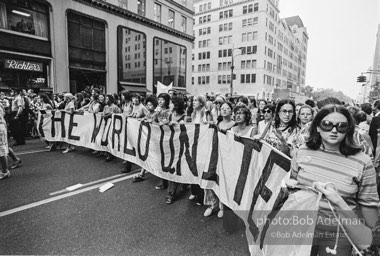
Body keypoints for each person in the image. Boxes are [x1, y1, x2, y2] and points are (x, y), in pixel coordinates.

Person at [287, 104, 379, 255]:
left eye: (341, 126)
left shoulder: (362, 162)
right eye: (327, 124)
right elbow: (294, 188)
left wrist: (367, 240)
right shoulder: (301, 152)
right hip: (301, 229)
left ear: (349, 129)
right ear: (317, 127)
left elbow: (370, 206)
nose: (334, 130)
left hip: (338, 235)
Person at [204, 101, 235, 217]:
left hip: (227, 156)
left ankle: (222, 206)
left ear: (232, 111)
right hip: (215, 154)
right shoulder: (217, 123)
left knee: (222, 180)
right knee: (211, 177)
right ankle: (212, 204)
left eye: (227, 108)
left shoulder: (235, 125)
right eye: (222, 108)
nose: (224, 110)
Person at [165, 96, 186, 204]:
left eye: (171, 103)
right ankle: (184, 184)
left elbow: (188, 129)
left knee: (175, 167)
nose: (169, 105)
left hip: (181, 145)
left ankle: (171, 193)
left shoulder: (185, 116)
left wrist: (177, 124)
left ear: (176, 105)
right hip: (171, 144)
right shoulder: (170, 115)